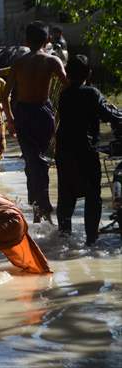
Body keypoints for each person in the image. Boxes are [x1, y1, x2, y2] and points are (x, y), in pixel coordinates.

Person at [3, 21, 67, 223]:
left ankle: (39, 209)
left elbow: (4, 95)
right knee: (41, 163)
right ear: (48, 40)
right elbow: (68, 85)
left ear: (26, 41)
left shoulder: (19, 62)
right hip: (43, 114)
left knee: (32, 162)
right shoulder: (52, 61)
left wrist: (11, 120)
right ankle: (42, 209)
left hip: (23, 115)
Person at [55, 55, 122, 246]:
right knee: (93, 196)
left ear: (67, 73)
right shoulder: (91, 93)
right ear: (89, 73)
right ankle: (91, 241)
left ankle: (63, 239)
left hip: (64, 151)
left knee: (66, 195)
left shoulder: (64, 94)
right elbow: (110, 115)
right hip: (85, 150)